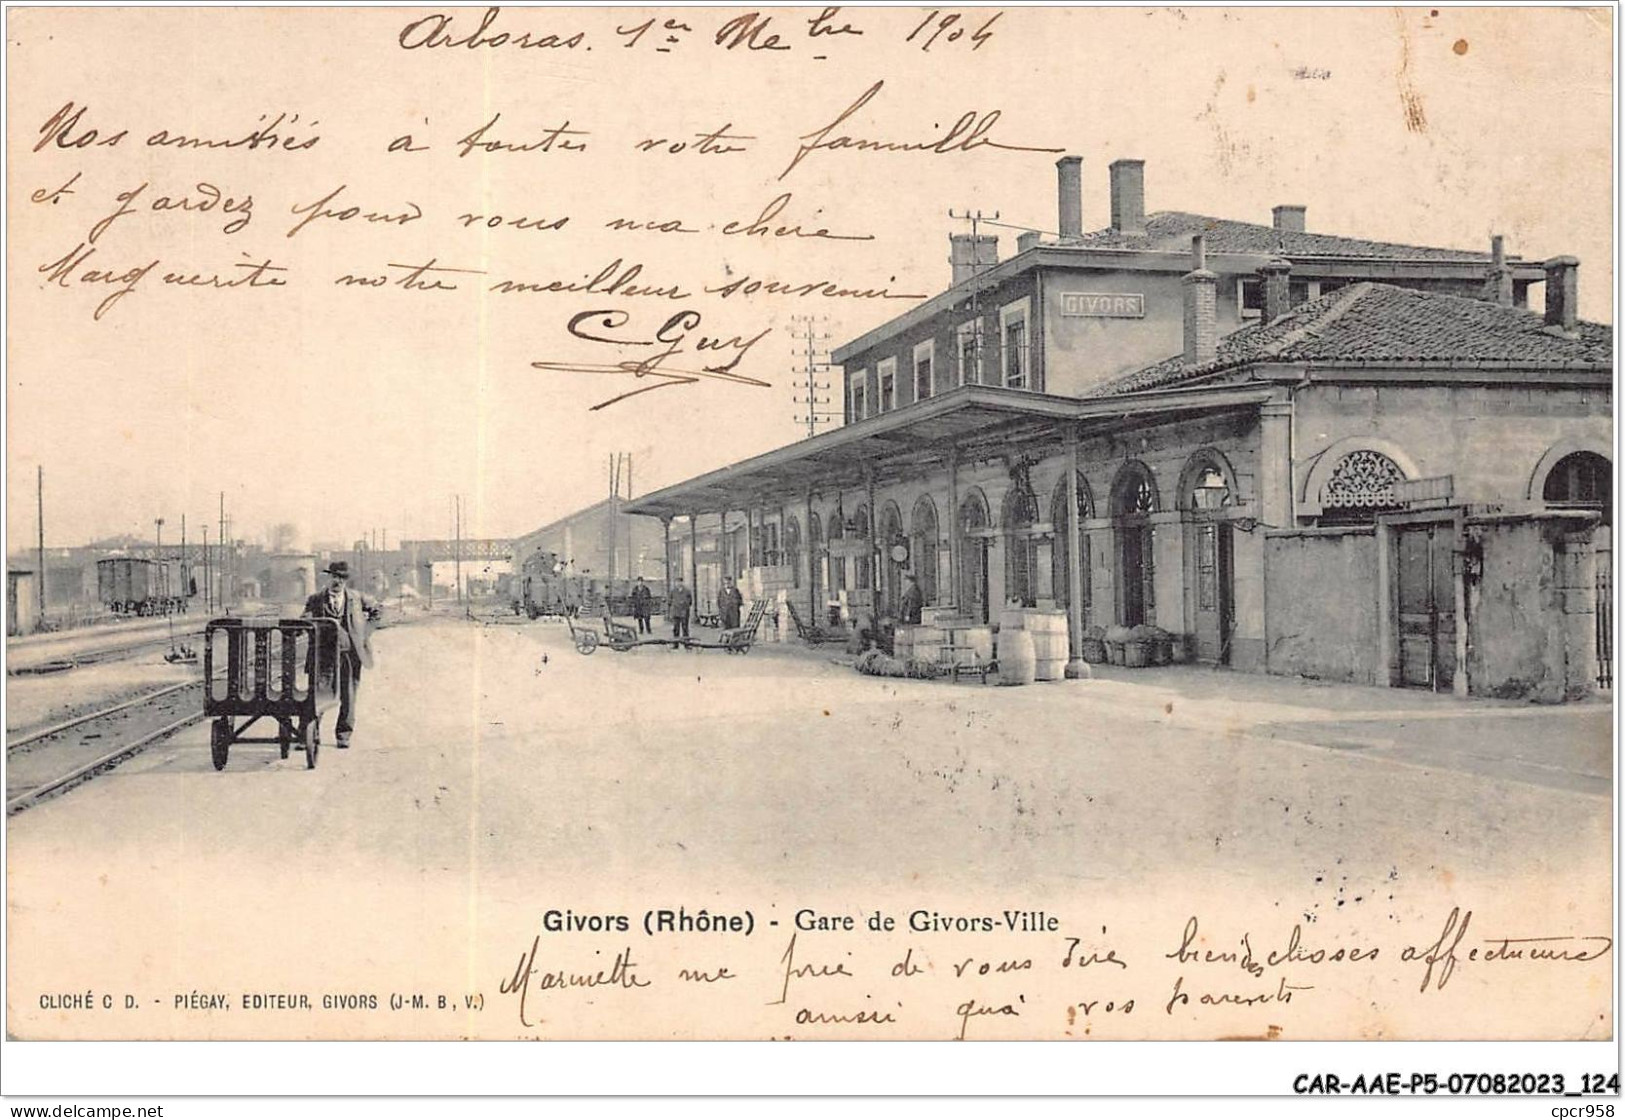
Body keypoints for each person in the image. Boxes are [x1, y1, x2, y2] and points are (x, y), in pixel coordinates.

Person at [301, 561, 381, 749]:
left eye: (342, 577)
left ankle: (343, 735)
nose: (337, 581)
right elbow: (305, 617)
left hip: (350, 654)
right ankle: (309, 735)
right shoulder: (316, 599)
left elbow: (378, 611)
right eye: (334, 576)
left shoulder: (357, 598)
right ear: (328, 577)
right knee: (317, 693)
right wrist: (304, 622)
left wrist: (365, 633)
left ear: (346, 580)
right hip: (323, 655)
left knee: (349, 694)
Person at [667, 576, 693, 640]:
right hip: (675, 612)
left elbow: (690, 601)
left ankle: (686, 643)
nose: (678, 583)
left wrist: (684, 603)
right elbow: (669, 601)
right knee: (676, 628)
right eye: (677, 582)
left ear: (682, 583)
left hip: (684, 612)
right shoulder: (673, 591)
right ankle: (675, 643)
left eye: (680, 582)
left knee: (685, 628)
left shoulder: (687, 591)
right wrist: (674, 605)